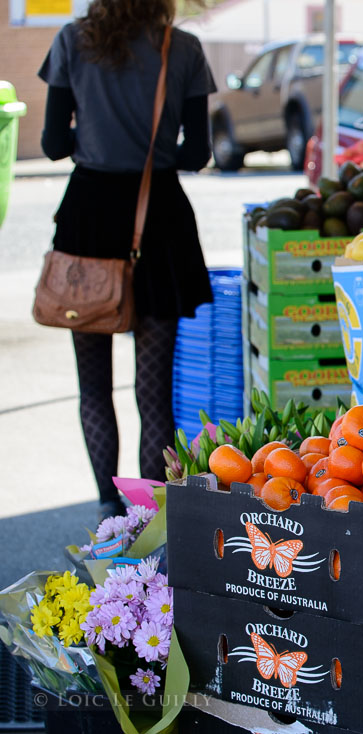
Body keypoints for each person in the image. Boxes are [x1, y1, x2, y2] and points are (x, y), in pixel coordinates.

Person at [38, 0, 216, 520]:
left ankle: (104, 506)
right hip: (158, 213)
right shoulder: (182, 48)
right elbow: (199, 152)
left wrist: (93, 142)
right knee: (153, 388)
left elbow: (50, 144)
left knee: (92, 381)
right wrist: (153, 152)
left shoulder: (73, 40)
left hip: (90, 214)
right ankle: (154, 515)